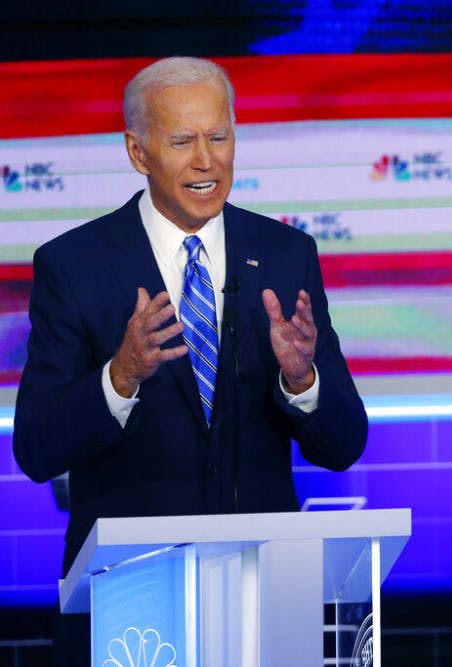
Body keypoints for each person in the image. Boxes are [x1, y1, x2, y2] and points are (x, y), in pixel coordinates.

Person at [12, 57, 368, 665]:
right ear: (138, 152)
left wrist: (302, 380)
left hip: (261, 605)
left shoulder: (286, 255)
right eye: (183, 141)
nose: (207, 160)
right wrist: (120, 378)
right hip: (129, 612)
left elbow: (344, 445)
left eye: (219, 137)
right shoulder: (74, 265)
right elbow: (37, 450)